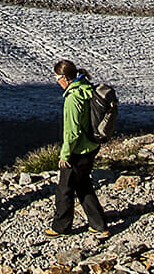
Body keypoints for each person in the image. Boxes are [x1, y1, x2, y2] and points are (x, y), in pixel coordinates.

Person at [47, 60, 112, 237]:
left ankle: (61, 227)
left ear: (66, 78)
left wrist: (65, 155)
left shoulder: (73, 97)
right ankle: (98, 225)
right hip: (91, 146)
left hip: (78, 150)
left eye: (58, 78)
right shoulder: (86, 87)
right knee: (83, 184)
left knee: (64, 189)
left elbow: (72, 131)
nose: (57, 82)